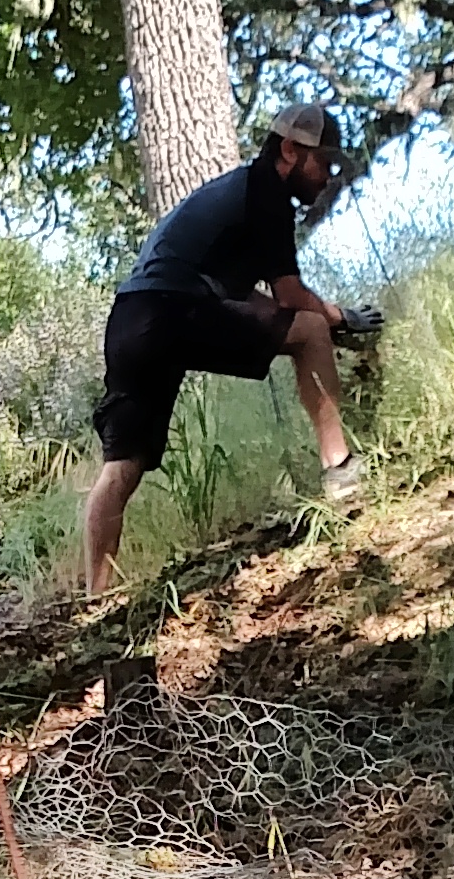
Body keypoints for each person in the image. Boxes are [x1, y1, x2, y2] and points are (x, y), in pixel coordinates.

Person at [82, 104, 359, 591]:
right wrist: (342, 318)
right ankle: (342, 476)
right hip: (174, 310)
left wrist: (288, 322)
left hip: (131, 317)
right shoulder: (267, 193)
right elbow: (291, 298)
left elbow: (240, 296)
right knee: (312, 330)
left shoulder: (236, 192)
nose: (328, 176)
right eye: (324, 162)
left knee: (122, 465)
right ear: (291, 151)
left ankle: (95, 599)